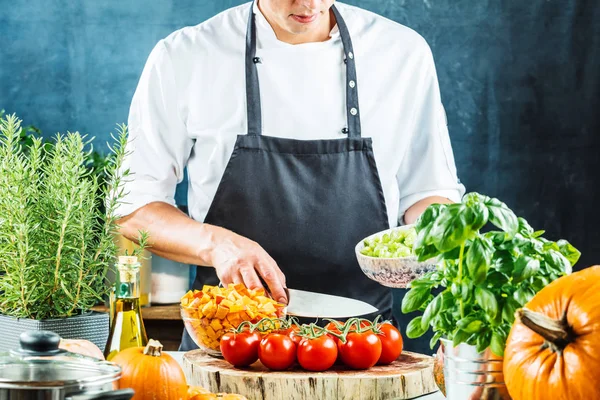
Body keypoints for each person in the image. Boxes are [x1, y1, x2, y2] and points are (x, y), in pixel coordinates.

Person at [116, 0, 465, 353]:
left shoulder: (401, 52)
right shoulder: (187, 54)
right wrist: (217, 245)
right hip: (229, 343)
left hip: (362, 345)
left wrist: (424, 242)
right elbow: (133, 209)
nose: (310, 4)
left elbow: (429, 191)